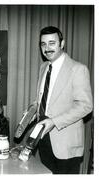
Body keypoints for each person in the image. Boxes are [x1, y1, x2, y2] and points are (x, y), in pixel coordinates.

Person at [33, 26, 93, 174]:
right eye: (43, 44)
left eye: (52, 43)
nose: (47, 48)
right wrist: (32, 109)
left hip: (66, 144)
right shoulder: (43, 67)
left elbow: (85, 106)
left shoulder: (78, 69)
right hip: (44, 140)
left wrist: (54, 121)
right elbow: (44, 101)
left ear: (62, 43)